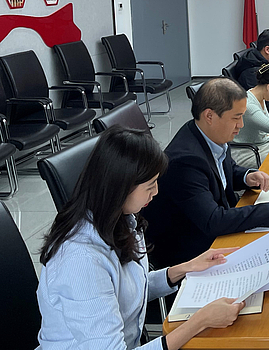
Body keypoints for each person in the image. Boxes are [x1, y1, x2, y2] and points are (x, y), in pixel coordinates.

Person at [37, 125, 244, 350]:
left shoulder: (121, 219)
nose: (156, 192)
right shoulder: (80, 261)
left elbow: (129, 291)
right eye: (150, 185)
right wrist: (199, 322)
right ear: (121, 186)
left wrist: (185, 269)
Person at [142, 78, 269, 268]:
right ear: (209, 116)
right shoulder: (185, 161)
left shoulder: (209, 134)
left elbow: (223, 170)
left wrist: (246, 176)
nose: (241, 125)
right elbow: (214, 221)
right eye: (236, 118)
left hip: (213, 229)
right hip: (191, 251)